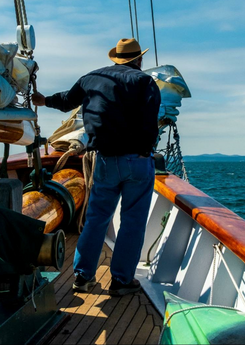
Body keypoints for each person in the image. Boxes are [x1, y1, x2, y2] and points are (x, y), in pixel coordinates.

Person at [32, 38, 161, 296]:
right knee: (132, 222)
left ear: (115, 58)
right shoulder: (145, 82)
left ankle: (82, 277)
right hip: (137, 162)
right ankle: (122, 281)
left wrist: (44, 101)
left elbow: (67, 101)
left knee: (96, 218)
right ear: (140, 60)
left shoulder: (90, 78)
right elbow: (150, 125)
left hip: (104, 160)